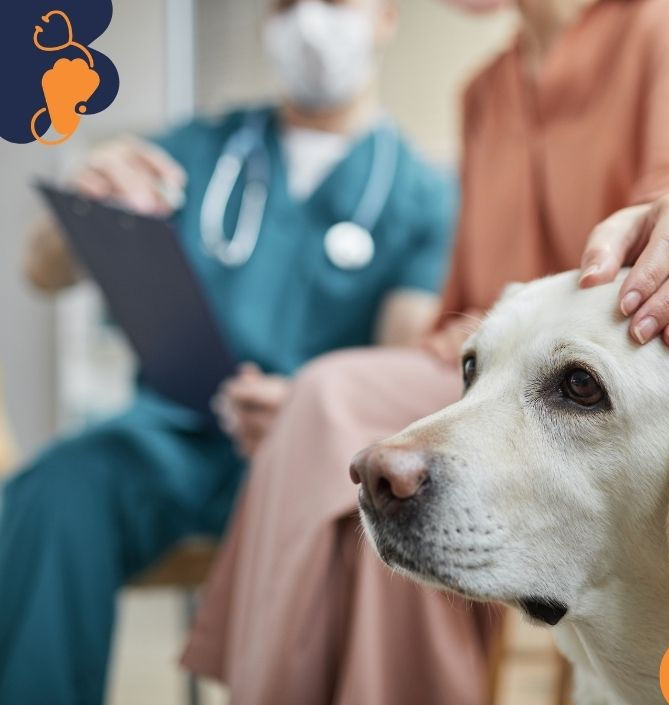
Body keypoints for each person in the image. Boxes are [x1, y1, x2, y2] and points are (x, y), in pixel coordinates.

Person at [181, 0, 669, 703]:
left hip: (608, 385)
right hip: (483, 373)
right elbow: (465, 312)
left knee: (331, 402)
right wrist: (343, 401)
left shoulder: (664, 21)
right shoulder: (483, 93)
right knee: (339, 434)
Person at [0, 1, 457, 703]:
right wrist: (88, 196)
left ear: (386, 16)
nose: (309, 22)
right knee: (54, 492)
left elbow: (397, 357)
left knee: (361, 544)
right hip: (171, 441)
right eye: (285, 4)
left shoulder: (423, 194)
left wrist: (305, 411)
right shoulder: (200, 150)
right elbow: (41, 270)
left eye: (335, 2)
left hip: (311, 457)